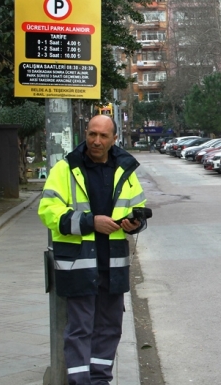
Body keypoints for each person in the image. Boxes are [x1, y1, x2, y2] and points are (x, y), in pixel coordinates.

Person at [38, 114, 147, 385]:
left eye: (103, 136)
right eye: (92, 134)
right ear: (85, 134)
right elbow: (48, 212)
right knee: (80, 329)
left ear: (114, 139)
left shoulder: (125, 169)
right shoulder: (65, 169)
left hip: (113, 263)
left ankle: (100, 380)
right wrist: (91, 222)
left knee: (109, 328)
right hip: (78, 263)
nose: (96, 141)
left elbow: (138, 210)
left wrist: (135, 223)